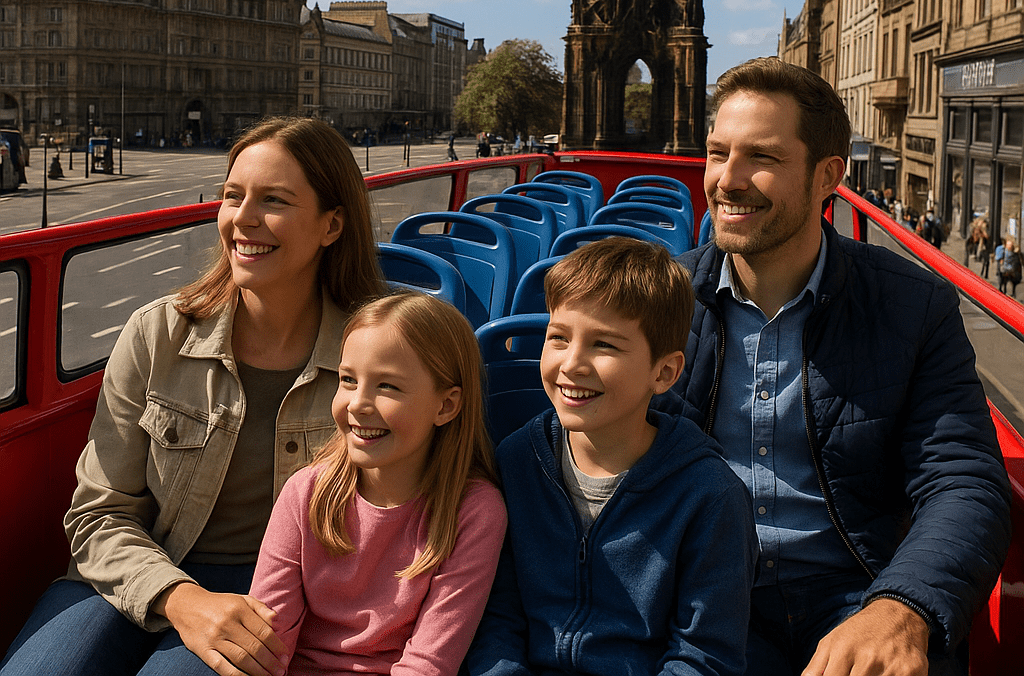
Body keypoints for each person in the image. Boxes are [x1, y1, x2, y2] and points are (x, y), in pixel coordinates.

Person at [1, 117, 388, 676]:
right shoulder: (157, 333)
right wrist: (180, 599)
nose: (243, 219)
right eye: (233, 196)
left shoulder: (379, 354)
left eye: (274, 201)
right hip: (138, 568)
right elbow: (98, 512)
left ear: (332, 225)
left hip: (272, 594)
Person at [674, 57, 1011, 676]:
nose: (728, 179)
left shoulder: (913, 305)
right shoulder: (663, 301)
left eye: (762, 158)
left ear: (829, 174)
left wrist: (904, 605)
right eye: (719, 152)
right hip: (704, 596)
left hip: (860, 592)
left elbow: (963, 479)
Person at [467, 237, 757, 676]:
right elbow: (496, 619)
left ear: (664, 373)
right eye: (559, 338)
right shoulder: (516, 462)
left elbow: (704, 655)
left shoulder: (709, 497)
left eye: (604, 345)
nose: (572, 364)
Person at [250, 292, 506, 675]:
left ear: (446, 405)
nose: (357, 403)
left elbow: (428, 663)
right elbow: (265, 643)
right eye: (348, 380)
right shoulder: (304, 492)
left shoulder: (474, 512)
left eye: (387, 386)